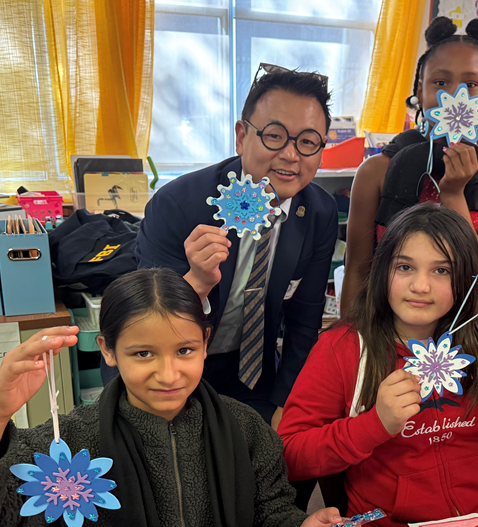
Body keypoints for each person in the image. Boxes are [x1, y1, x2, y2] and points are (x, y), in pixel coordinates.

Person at [0, 268, 362, 527]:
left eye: (185, 350)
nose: (169, 374)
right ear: (108, 350)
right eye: (143, 353)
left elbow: (271, 518)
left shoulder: (244, 428)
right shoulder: (66, 445)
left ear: (205, 343)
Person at [278, 203, 478, 527]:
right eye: (405, 267)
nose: (420, 286)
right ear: (383, 270)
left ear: (465, 279)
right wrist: (373, 426)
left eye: (441, 271)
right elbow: (290, 456)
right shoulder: (343, 347)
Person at [134, 66, 338, 431]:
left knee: (272, 463)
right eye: (274, 136)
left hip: (252, 370)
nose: (291, 155)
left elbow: (305, 319)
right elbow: (145, 322)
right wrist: (196, 280)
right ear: (242, 137)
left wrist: (286, 403)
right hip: (169, 365)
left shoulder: (318, 213)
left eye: (308, 141)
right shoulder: (178, 204)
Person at [341, 16, 478, 313]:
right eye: (440, 83)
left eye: (470, 85)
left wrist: (454, 195)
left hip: (464, 335)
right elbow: (357, 269)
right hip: (385, 333)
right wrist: (353, 343)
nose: (453, 97)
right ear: (420, 91)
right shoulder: (378, 170)